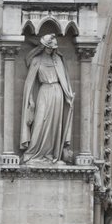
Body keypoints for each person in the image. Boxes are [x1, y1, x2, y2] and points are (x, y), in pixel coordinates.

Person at [19, 34, 74, 165]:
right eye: (48, 47)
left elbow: (64, 80)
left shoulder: (58, 61)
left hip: (57, 93)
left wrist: (68, 96)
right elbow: (29, 84)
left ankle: (51, 154)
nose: (51, 50)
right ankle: (33, 153)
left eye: (53, 48)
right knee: (39, 123)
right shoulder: (36, 60)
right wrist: (30, 101)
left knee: (55, 125)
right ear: (43, 47)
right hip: (44, 92)